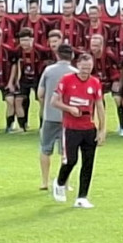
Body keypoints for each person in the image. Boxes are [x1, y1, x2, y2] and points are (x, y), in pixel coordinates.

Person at [51, 52, 105, 209]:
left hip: (89, 128)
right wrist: (69, 108)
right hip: (71, 128)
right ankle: (60, 182)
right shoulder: (67, 80)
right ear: (77, 66)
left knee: (88, 163)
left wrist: (102, 129)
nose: (86, 70)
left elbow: (100, 106)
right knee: (71, 160)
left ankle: (82, 197)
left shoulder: (95, 83)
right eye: (83, 67)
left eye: (89, 67)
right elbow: (54, 101)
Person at [36, 43, 75, 190]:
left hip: (49, 116)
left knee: (45, 149)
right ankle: (65, 182)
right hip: (68, 117)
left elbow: (40, 93)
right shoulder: (74, 72)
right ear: (71, 56)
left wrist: (45, 104)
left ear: (57, 55)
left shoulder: (48, 71)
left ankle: (45, 182)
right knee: (66, 152)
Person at [13, 28, 49, 132]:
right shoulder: (17, 51)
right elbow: (15, 65)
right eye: (22, 40)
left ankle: (43, 126)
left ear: (32, 40)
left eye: (26, 40)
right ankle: (22, 126)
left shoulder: (41, 51)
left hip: (38, 80)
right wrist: (16, 79)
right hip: (23, 80)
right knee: (19, 101)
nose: (24, 43)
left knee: (42, 101)